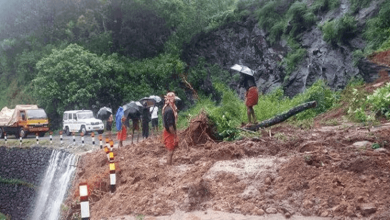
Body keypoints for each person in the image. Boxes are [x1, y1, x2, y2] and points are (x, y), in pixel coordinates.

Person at [162, 92, 178, 165]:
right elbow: (170, 125)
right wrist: (174, 134)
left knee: (171, 150)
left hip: (168, 131)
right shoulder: (169, 110)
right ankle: (169, 165)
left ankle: (169, 164)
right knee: (170, 151)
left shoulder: (168, 109)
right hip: (169, 132)